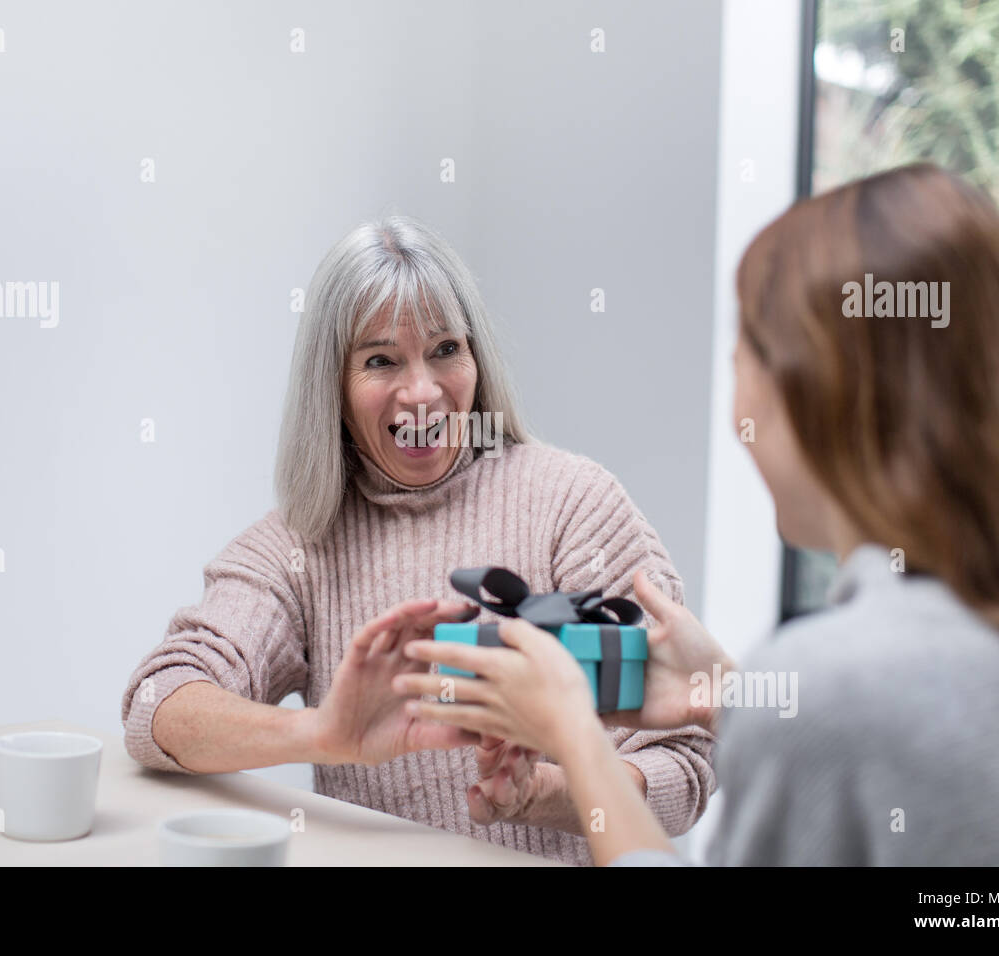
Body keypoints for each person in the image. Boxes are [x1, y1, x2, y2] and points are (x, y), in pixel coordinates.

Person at [397, 164, 999, 865]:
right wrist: (729, 696)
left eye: (744, 355)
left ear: (813, 393)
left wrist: (576, 735)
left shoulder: (840, 689)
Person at [120, 215, 715, 866]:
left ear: (475, 357)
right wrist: (318, 733)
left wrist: (538, 792)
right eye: (381, 360)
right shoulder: (301, 546)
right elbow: (154, 707)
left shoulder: (572, 503)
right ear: (334, 390)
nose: (424, 391)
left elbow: (680, 769)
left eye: (444, 349)